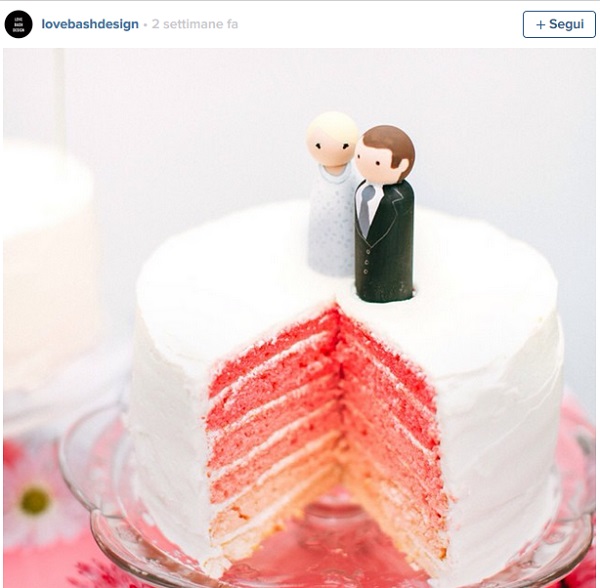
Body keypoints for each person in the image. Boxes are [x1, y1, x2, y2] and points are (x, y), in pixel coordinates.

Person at [354, 125, 415, 302]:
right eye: (359, 157)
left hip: (393, 283)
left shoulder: (401, 197)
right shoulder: (360, 190)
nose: (365, 163)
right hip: (362, 281)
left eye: (377, 163)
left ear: (402, 165)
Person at [306, 111, 360, 276]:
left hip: (348, 225)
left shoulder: (353, 174)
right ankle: (321, 265)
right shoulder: (319, 176)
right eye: (319, 145)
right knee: (322, 249)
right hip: (322, 227)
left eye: (344, 146)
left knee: (348, 249)